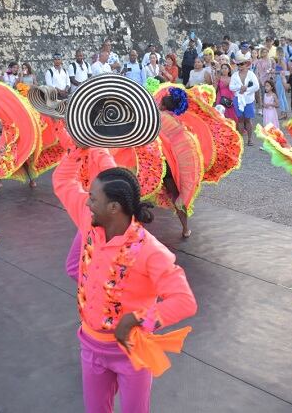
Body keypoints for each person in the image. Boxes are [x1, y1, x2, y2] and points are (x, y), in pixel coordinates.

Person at [53, 146, 197, 413]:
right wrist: (82, 147)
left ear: (114, 207)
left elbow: (184, 302)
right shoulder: (89, 223)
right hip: (90, 345)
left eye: (93, 198)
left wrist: (138, 319)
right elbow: (62, 181)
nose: (87, 202)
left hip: (132, 352)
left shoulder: (150, 251)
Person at [230, 54, 259, 145]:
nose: (240, 66)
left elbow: (256, 86)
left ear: (246, 64)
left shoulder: (251, 74)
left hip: (248, 100)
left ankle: (250, 139)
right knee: (240, 119)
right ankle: (241, 139)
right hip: (238, 99)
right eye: (238, 64)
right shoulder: (235, 75)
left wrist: (246, 90)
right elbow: (231, 87)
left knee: (248, 119)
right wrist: (240, 87)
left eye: (241, 64)